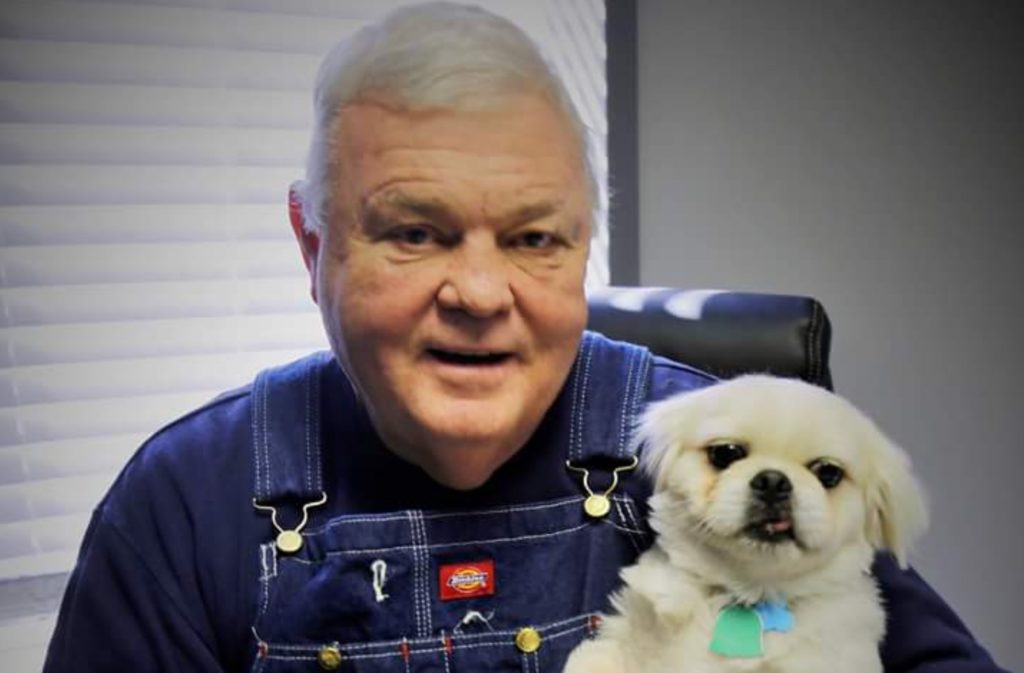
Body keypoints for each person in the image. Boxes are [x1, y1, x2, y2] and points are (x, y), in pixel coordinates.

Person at [44, 3, 1007, 672]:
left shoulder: (708, 438)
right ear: (313, 243)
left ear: (584, 245)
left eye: (535, 239)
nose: (479, 292)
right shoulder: (185, 504)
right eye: (415, 231)